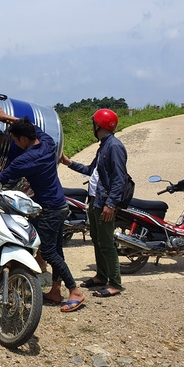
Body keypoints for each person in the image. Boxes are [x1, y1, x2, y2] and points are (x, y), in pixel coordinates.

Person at [0, 107, 85, 313]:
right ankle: (56, 291)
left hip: (48, 209)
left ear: (22, 139)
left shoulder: (26, 160)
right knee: (56, 250)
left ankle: (75, 291)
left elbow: (0, 177)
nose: (14, 143)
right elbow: (31, 126)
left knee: (48, 252)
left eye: (14, 140)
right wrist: (6, 118)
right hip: (61, 205)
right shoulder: (47, 143)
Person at [60, 108, 127, 298]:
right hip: (96, 201)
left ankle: (115, 283)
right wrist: (69, 163)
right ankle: (101, 275)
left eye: (94, 124)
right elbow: (92, 170)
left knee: (106, 242)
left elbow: (119, 178)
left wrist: (111, 204)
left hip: (105, 202)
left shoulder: (114, 146)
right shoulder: (104, 146)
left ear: (99, 126)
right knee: (97, 240)